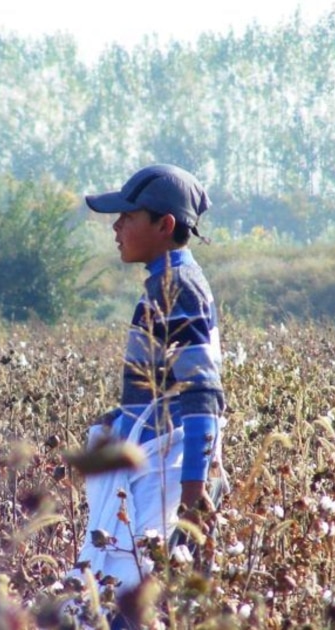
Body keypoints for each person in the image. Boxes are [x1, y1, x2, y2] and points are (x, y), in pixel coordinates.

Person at [74, 164, 227, 628]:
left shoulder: (176, 288)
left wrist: (194, 489)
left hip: (166, 474)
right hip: (157, 465)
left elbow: (202, 393)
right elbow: (166, 388)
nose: (116, 227)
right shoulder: (168, 281)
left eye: (127, 216)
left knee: (127, 604)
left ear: (165, 226)